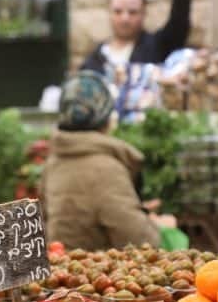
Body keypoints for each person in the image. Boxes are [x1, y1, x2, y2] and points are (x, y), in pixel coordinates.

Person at [41, 71, 161, 250]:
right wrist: (156, 224)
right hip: (94, 273)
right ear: (106, 119)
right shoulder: (107, 169)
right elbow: (139, 241)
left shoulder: (52, 164)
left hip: (62, 267)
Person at [81, 0, 192, 72]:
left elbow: (179, 26)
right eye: (118, 11)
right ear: (109, 13)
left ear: (144, 13)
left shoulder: (157, 46)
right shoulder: (95, 59)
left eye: (132, 12)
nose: (125, 18)